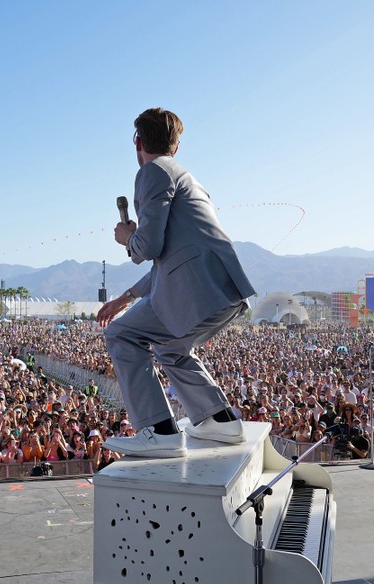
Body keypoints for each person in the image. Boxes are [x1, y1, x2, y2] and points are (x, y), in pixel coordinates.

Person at [97, 108, 256, 458]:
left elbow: (149, 247)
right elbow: (172, 261)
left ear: (137, 142)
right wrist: (126, 297)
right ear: (177, 146)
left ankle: (158, 431)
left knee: (121, 334)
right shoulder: (187, 177)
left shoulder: (152, 172)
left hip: (196, 291)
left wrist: (127, 236)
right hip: (218, 287)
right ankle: (220, 420)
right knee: (171, 348)